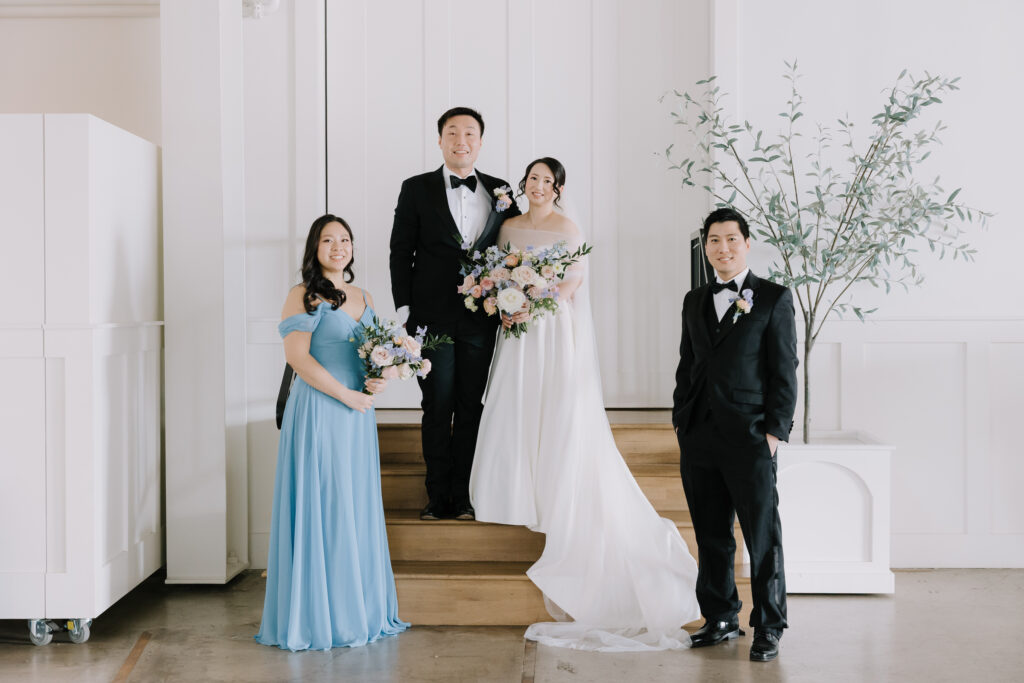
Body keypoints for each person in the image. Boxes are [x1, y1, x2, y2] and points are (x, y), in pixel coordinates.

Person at [469, 158, 700, 652]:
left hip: (550, 328)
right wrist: (506, 301)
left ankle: (552, 491)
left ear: (558, 188)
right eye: (532, 179)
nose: (538, 186)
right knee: (516, 406)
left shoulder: (568, 229)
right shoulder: (508, 227)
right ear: (524, 184)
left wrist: (532, 299)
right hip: (517, 333)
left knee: (553, 407)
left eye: (546, 181)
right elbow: (497, 274)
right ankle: (514, 493)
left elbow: (572, 283)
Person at [256, 214, 409, 651]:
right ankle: (319, 617)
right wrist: (345, 394)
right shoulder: (302, 295)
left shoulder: (365, 296)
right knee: (324, 504)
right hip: (321, 410)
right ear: (314, 248)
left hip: (357, 414)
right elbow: (298, 359)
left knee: (353, 507)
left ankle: (356, 611)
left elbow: (371, 355)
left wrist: (378, 380)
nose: (338, 246)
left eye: (345, 239)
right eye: (328, 240)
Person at [672, 207, 798, 662]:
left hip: (750, 436)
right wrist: (682, 419)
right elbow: (688, 364)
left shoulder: (774, 298)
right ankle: (721, 616)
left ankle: (769, 625)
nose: (722, 248)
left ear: (746, 243)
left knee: (762, 536)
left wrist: (773, 434)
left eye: (730, 239)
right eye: (713, 240)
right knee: (711, 534)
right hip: (700, 435)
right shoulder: (694, 300)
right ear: (705, 247)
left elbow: (784, 371)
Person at [390, 106, 521, 521]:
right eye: (452, 133)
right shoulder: (416, 188)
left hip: (482, 317)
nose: (461, 141)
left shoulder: (501, 190)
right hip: (431, 317)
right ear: (440, 140)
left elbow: (514, 252)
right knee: (437, 402)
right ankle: (437, 496)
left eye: (469, 133)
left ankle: (464, 496)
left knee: (470, 404)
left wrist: (513, 299)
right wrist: (405, 311)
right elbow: (400, 251)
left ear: (480, 142)